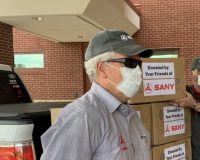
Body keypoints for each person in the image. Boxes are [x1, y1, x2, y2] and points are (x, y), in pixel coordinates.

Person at [40, 29, 153, 160]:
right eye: (130, 63)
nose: (138, 71)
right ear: (101, 68)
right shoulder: (82, 117)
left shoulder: (129, 114)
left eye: (139, 63)